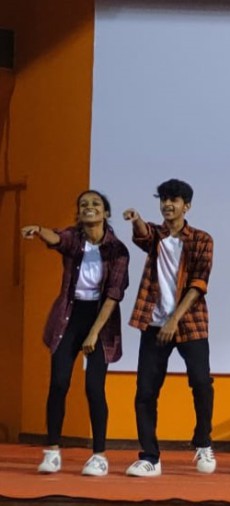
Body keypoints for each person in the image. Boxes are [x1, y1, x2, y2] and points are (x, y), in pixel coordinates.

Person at [22, 190, 129, 477]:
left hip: (101, 319)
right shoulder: (74, 239)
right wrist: (39, 230)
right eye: (83, 204)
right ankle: (52, 452)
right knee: (59, 383)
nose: (89, 207)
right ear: (78, 213)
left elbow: (113, 295)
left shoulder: (117, 250)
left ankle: (99, 456)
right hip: (69, 316)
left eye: (95, 204)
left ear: (106, 213)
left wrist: (93, 333)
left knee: (94, 388)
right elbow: (57, 238)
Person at [122, 179, 216, 477]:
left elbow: (199, 283)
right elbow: (143, 235)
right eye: (163, 199)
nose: (167, 205)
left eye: (173, 200)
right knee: (145, 391)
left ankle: (203, 442)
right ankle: (150, 457)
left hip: (190, 322)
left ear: (187, 206)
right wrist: (136, 219)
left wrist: (174, 319)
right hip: (153, 323)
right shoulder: (157, 237)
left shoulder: (201, 239)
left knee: (201, 383)